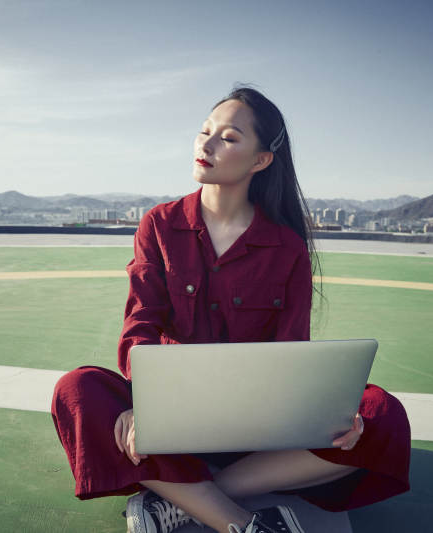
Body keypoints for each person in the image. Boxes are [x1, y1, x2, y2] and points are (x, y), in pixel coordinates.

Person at [51, 86, 411, 533]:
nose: (207, 144)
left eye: (228, 137)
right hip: (169, 417)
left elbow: (291, 350)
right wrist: (143, 405)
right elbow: (140, 321)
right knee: (77, 389)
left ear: (261, 160)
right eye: (205, 131)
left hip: (257, 425)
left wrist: (329, 416)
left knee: (381, 415)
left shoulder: (287, 246)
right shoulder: (159, 225)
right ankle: (240, 522)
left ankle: (185, 497)